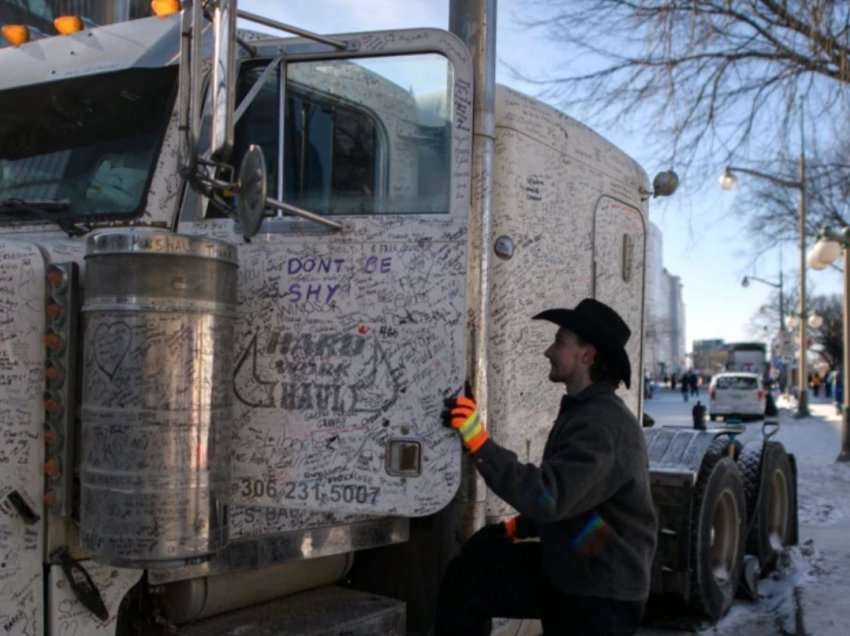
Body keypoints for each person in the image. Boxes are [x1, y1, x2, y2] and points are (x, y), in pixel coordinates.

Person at [436, 298, 657, 636]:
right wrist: (512, 530)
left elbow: (549, 497)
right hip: (576, 568)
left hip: (600, 596)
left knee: (469, 580)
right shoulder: (586, 412)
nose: (549, 352)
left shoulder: (601, 425)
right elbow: (582, 513)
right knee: (468, 578)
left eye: (560, 341)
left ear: (587, 355)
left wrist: (477, 440)